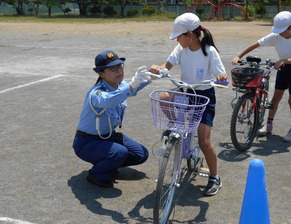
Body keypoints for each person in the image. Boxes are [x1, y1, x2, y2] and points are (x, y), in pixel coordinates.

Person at [150, 13, 228, 196]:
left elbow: (221, 76)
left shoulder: (209, 51)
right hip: (186, 91)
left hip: (204, 97)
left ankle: (214, 177)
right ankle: (175, 125)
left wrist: (222, 78)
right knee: (164, 97)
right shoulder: (180, 49)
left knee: (204, 141)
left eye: (179, 35)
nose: (177, 39)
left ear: (190, 35)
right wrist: (158, 68)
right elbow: (166, 66)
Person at [73, 50, 154, 188]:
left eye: (120, 66)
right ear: (101, 73)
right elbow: (110, 100)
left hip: (108, 137)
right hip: (87, 142)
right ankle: (97, 174)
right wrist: (132, 85)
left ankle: (108, 163)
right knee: (119, 152)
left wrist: (153, 75)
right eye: (112, 68)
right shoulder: (96, 93)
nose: (119, 71)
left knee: (141, 154)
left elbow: (133, 87)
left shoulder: (119, 85)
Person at [231, 11, 291, 143]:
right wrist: (239, 55)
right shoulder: (276, 36)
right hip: (283, 67)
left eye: (282, 30)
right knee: (275, 98)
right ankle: (269, 124)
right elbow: (256, 44)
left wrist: (284, 60)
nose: (279, 33)